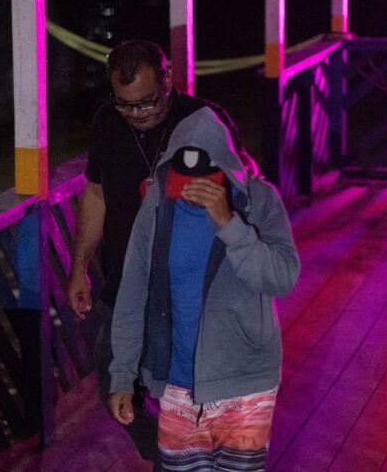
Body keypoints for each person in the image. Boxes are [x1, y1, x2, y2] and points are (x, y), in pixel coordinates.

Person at [67, 39, 247, 467]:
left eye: (147, 102)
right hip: (126, 280)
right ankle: (170, 453)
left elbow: (245, 188)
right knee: (113, 379)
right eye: (126, 104)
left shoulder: (203, 120)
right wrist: (78, 268)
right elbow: (95, 193)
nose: (137, 114)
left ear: (167, 80)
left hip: (189, 288)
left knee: (185, 392)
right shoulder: (107, 121)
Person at [107, 107, 299, 471]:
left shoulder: (258, 200)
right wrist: (123, 375)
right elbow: (133, 292)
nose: (191, 193)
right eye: (181, 181)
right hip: (177, 382)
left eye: (204, 182)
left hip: (243, 381)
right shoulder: (159, 204)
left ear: (225, 169)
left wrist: (230, 224)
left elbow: (282, 278)